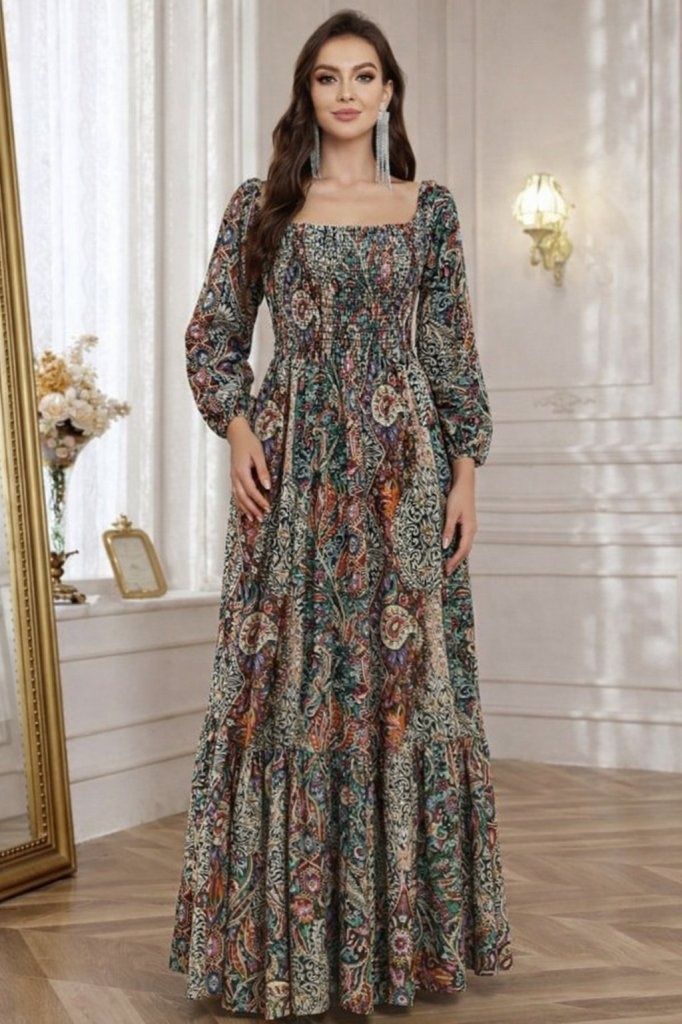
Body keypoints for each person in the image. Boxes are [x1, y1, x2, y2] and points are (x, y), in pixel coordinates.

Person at [168, 8, 513, 1019]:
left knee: (407, 692)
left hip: (405, 475)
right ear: (307, 93)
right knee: (283, 688)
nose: (348, 92)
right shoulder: (261, 205)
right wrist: (237, 427)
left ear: (389, 90)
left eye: (365, 75)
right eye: (328, 77)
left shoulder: (428, 209)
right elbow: (212, 334)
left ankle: (400, 949)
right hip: (291, 475)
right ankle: (280, 950)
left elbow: (450, 350)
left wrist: (466, 471)